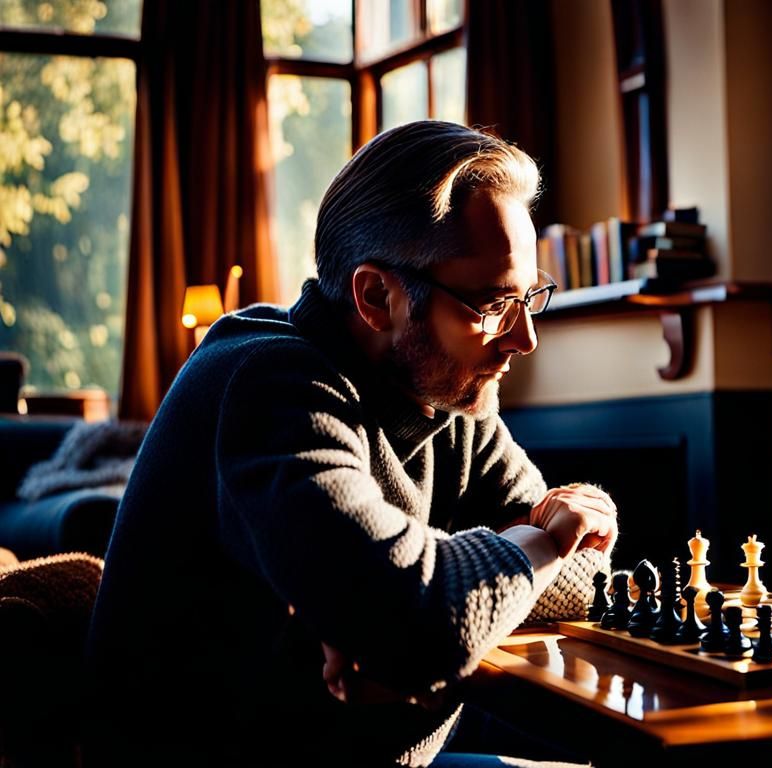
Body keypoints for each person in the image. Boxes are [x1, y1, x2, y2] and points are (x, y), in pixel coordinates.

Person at [84, 121, 615, 767]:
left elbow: (591, 573)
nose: (523, 338)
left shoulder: (450, 396)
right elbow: (425, 619)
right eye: (494, 302)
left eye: (530, 295)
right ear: (374, 296)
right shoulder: (265, 380)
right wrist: (524, 547)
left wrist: (413, 596)